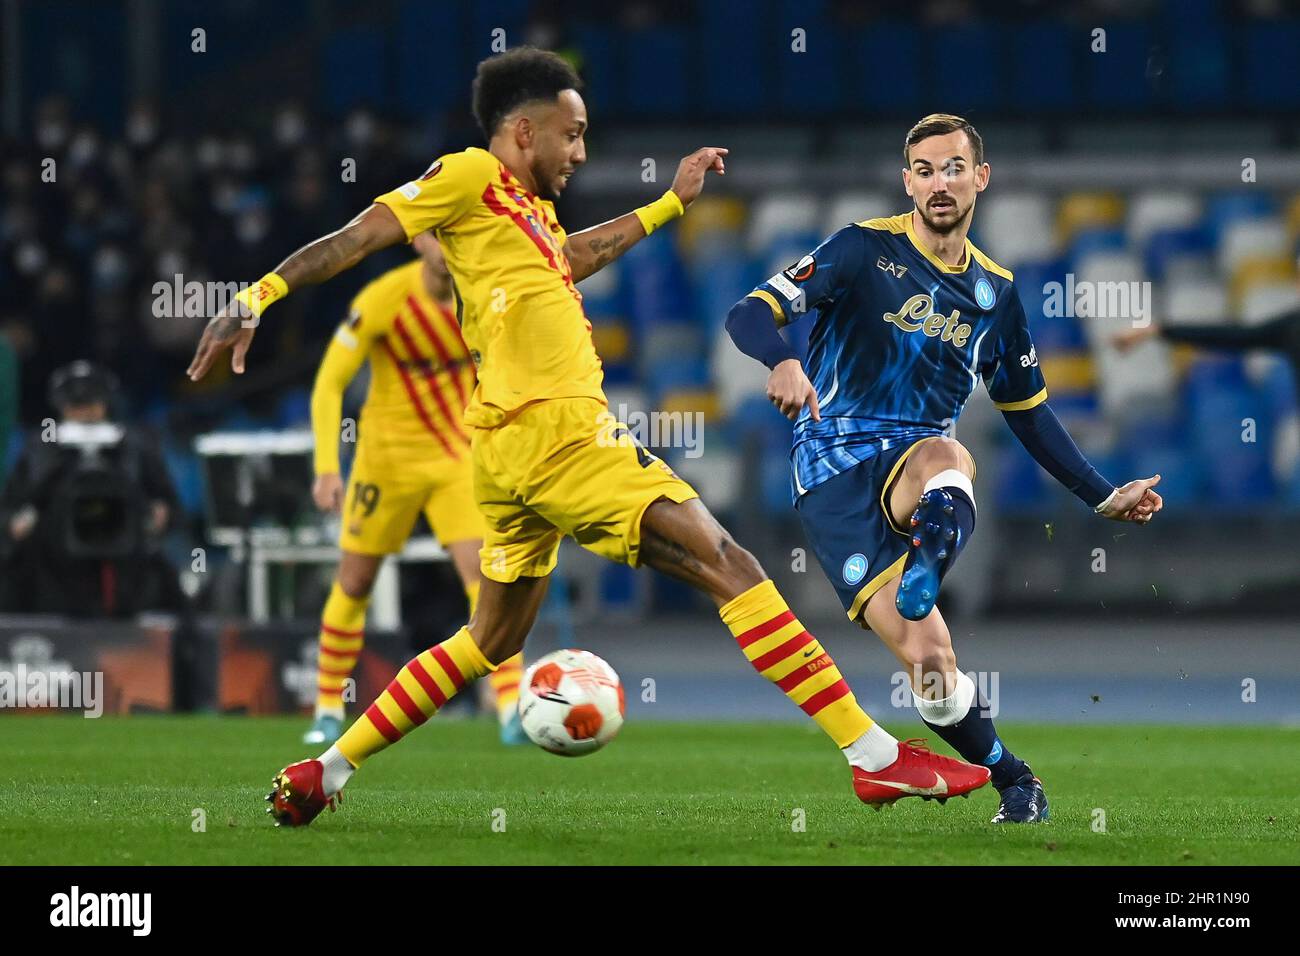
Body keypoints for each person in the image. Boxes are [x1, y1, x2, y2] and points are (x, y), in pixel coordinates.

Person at [188, 49, 994, 827]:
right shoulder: (469, 174)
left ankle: (324, 771)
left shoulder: (527, 216)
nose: (581, 151)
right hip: (558, 434)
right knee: (730, 564)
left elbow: (571, 258)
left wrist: (669, 204)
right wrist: (257, 294)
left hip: (506, 454)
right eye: (571, 134)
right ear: (524, 131)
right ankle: (872, 753)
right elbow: (359, 237)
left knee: (489, 638)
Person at [724, 114, 1164, 823]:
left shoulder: (996, 292)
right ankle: (1011, 773)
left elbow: (1027, 410)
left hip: (914, 459)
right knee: (931, 666)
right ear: (907, 181)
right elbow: (751, 311)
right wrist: (780, 358)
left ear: (980, 178)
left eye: (954, 168)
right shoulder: (860, 250)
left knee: (946, 452)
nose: (940, 183)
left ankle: (929, 563)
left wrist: (1101, 494)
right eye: (925, 171)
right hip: (831, 467)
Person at [305, 232, 527, 746]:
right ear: (419, 241)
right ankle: (327, 708)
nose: (451, 245)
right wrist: (325, 466)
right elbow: (330, 382)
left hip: (457, 459)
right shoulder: (382, 299)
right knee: (356, 581)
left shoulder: (485, 299)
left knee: (487, 577)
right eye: (439, 234)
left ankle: (512, 707)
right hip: (386, 462)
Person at [0, 361, 181, 615]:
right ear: (61, 406)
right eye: (76, 405)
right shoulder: (39, 449)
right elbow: (11, 508)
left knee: (166, 576)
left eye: (91, 403)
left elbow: (168, 503)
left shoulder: (135, 447)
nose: (84, 412)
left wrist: (161, 514)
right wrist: (16, 523)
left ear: (106, 402)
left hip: (124, 563)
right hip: (53, 567)